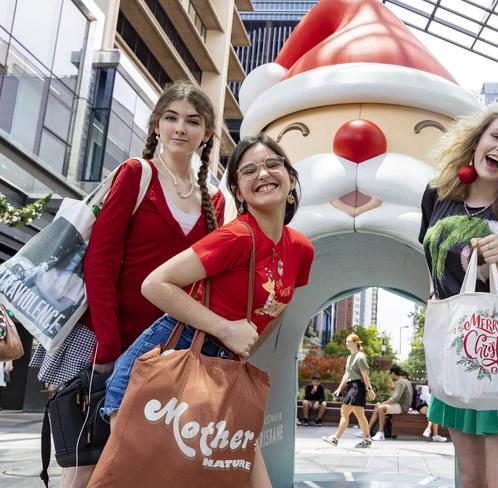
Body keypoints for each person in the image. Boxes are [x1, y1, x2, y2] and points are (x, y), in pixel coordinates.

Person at [29, 80, 225, 487]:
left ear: (206, 133)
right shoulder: (137, 174)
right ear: (156, 125)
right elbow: (99, 262)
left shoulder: (214, 200)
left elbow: (203, 283)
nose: (180, 129)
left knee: (148, 468)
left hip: (166, 352)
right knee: (84, 467)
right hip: (105, 341)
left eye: (192, 121)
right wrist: (108, 345)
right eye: (171, 118)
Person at [101, 133, 314, 487]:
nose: (262, 174)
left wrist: (244, 348)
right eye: (249, 171)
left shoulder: (301, 249)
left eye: (272, 164)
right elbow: (155, 284)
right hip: (169, 360)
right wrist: (226, 329)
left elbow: (278, 307)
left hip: (224, 369)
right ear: (239, 190)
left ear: (290, 179)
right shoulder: (236, 237)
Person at [419, 101, 498, 487]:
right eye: (497, 136)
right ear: (476, 140)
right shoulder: (437, 197)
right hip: (459, 353)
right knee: (470, 479)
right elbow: (431, 258)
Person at [322, 334, 376, 448]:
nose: (346, 343)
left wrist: (369, 389)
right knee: (360, 414)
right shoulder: (350, 357)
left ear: (356, 342)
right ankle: (367, 439)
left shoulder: (360, 357)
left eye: (348, 341)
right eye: (346, 341)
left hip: (357, 387)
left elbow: (365, 376)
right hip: (352, 386)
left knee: (344, 412)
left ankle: (335, 438)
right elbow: (346, 375)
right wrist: (340, 388)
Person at [366, 364, 412, 441]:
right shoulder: (405, 381)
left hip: (402, 407)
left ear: (393, 373)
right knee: (377, 407)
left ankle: (381, 433)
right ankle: (366, 431)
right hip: (402, 406)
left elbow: (395, 398)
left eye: (390, 374)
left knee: (381, 408)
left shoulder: (400, 382)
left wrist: (383, 403)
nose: (390, 376)